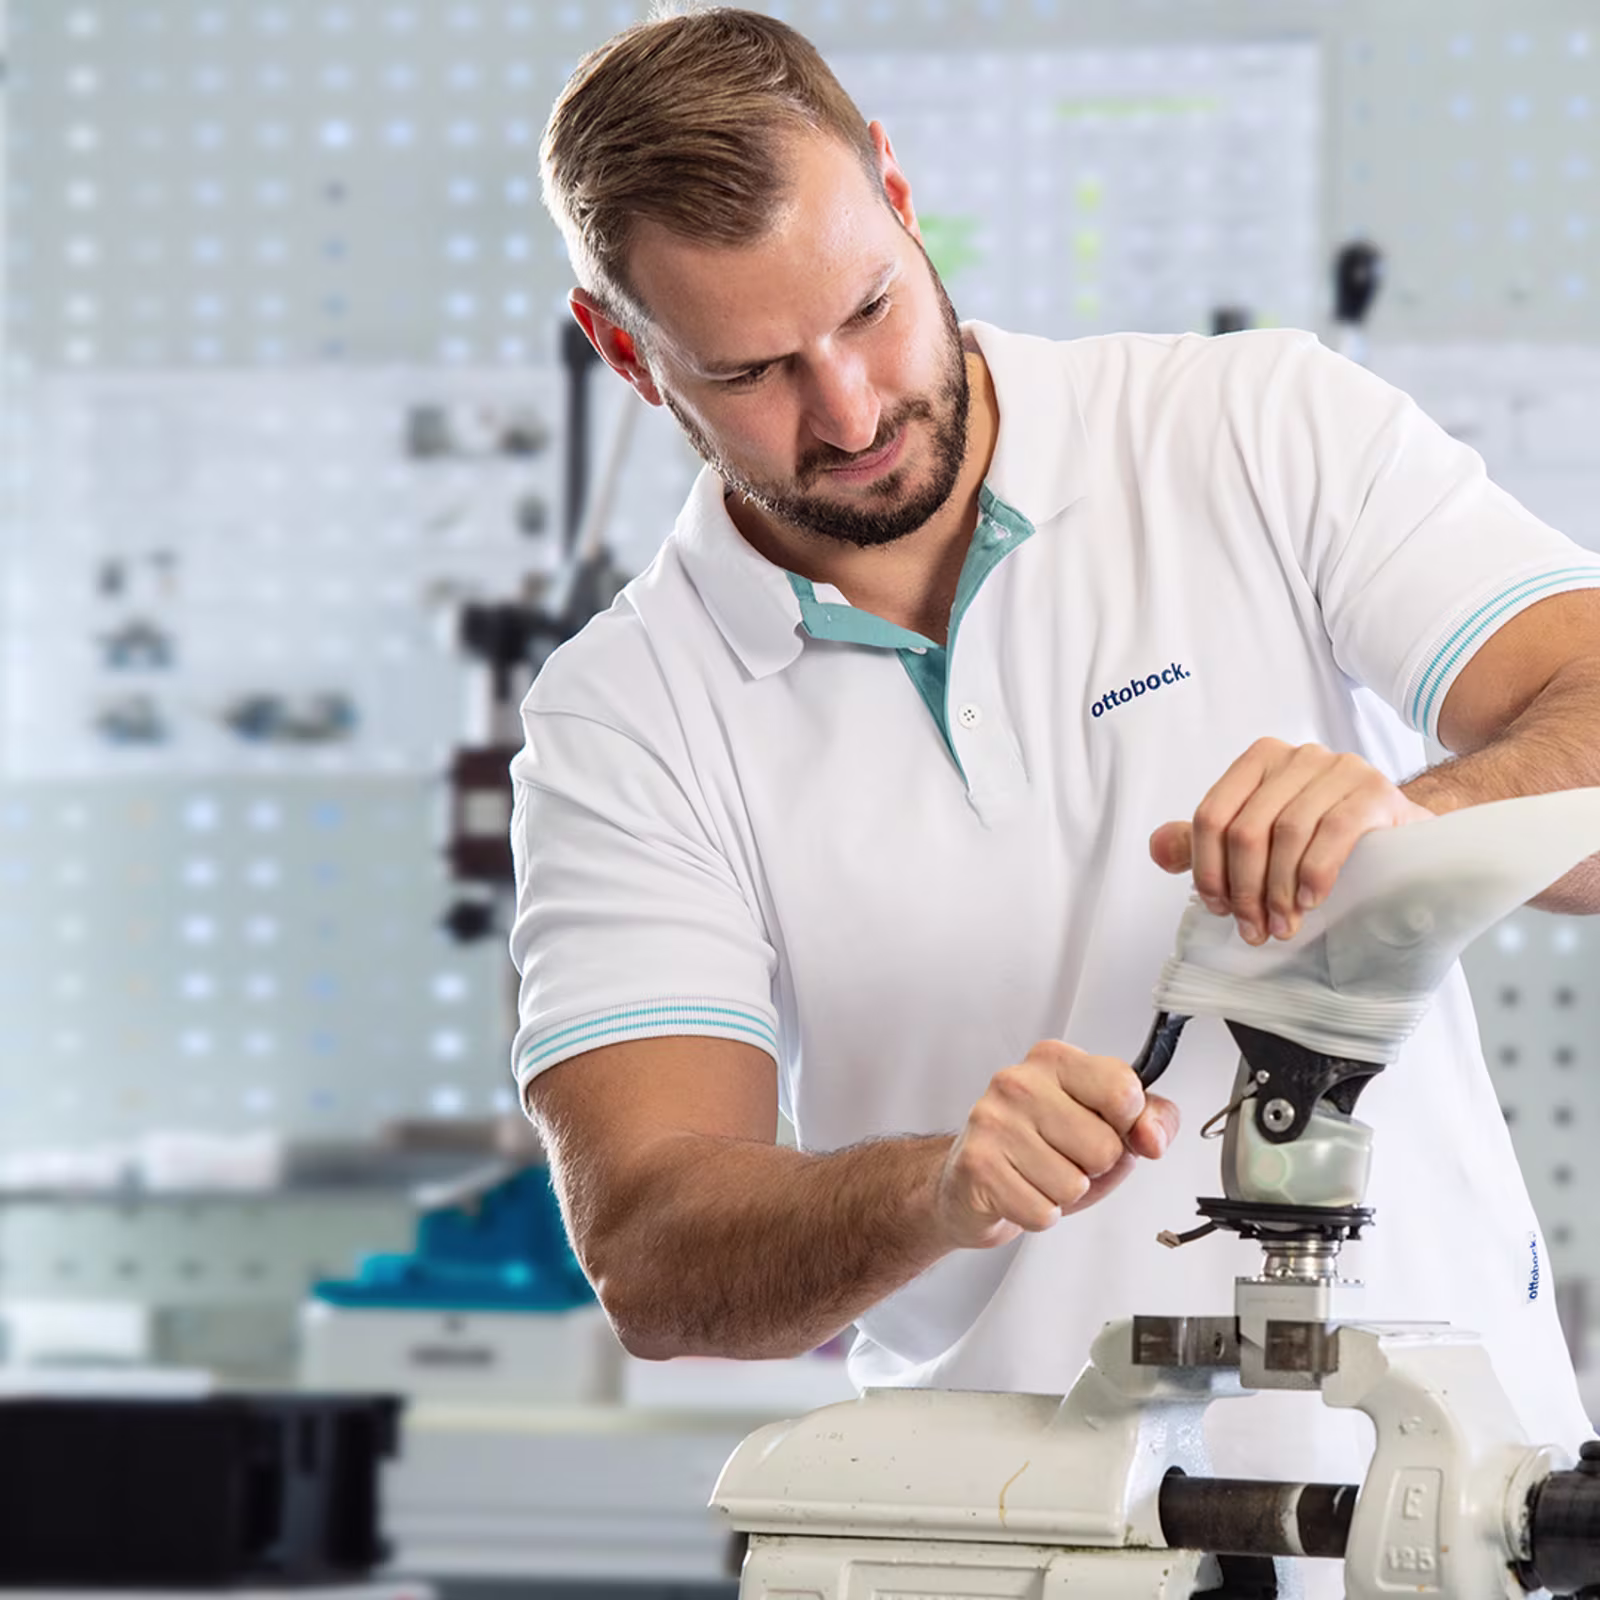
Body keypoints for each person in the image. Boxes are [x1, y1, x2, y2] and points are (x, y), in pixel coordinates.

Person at [515, 0, 1600, 1555]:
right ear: (625, 350)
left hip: (1459, 1517)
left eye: (872, 310)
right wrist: (938, 1187)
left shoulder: (1251, 430)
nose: (851, 411)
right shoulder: (627, 715)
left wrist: (1405, 830)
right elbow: (658, 1255)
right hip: (1014, 1549)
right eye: (755, 370)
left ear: (893, 185)